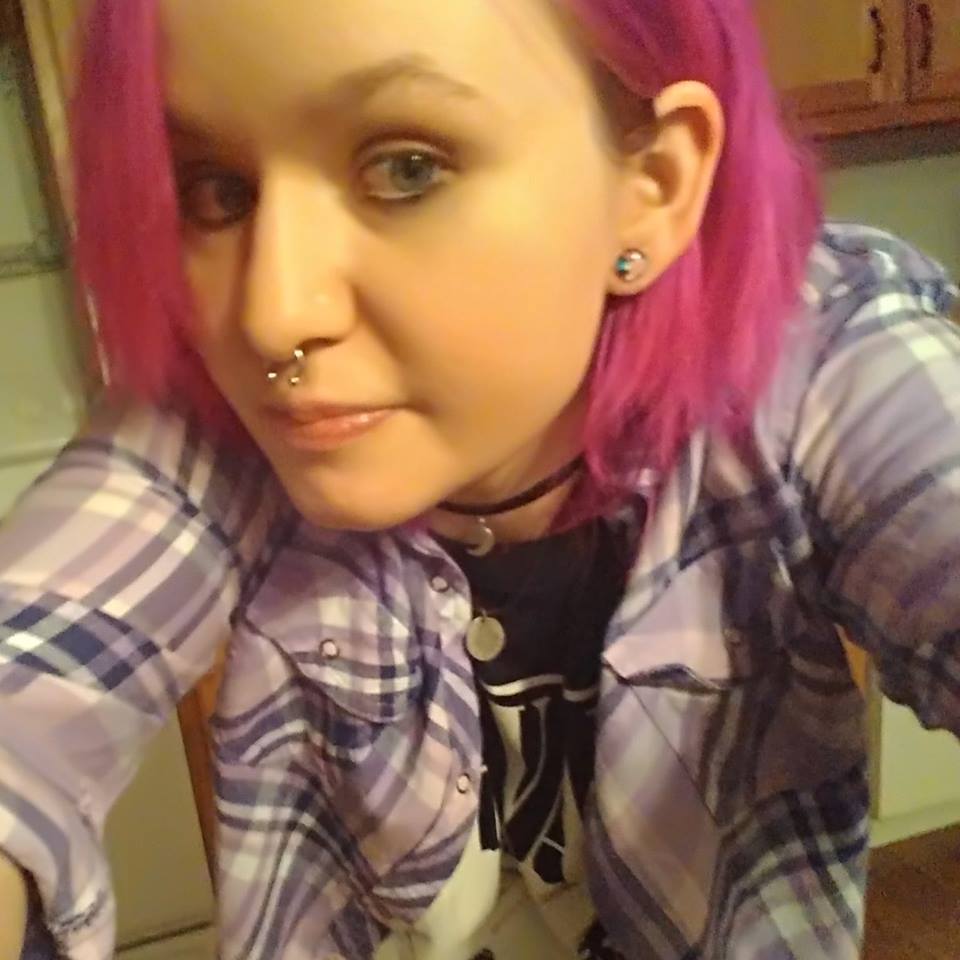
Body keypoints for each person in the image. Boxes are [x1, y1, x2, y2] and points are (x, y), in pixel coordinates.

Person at [1, 0, 959, 957]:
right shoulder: (215, 422)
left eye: (406, 167)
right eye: (216, 191)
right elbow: (29, 669)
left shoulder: (817, 368)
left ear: (654, 185)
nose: (271, 315)